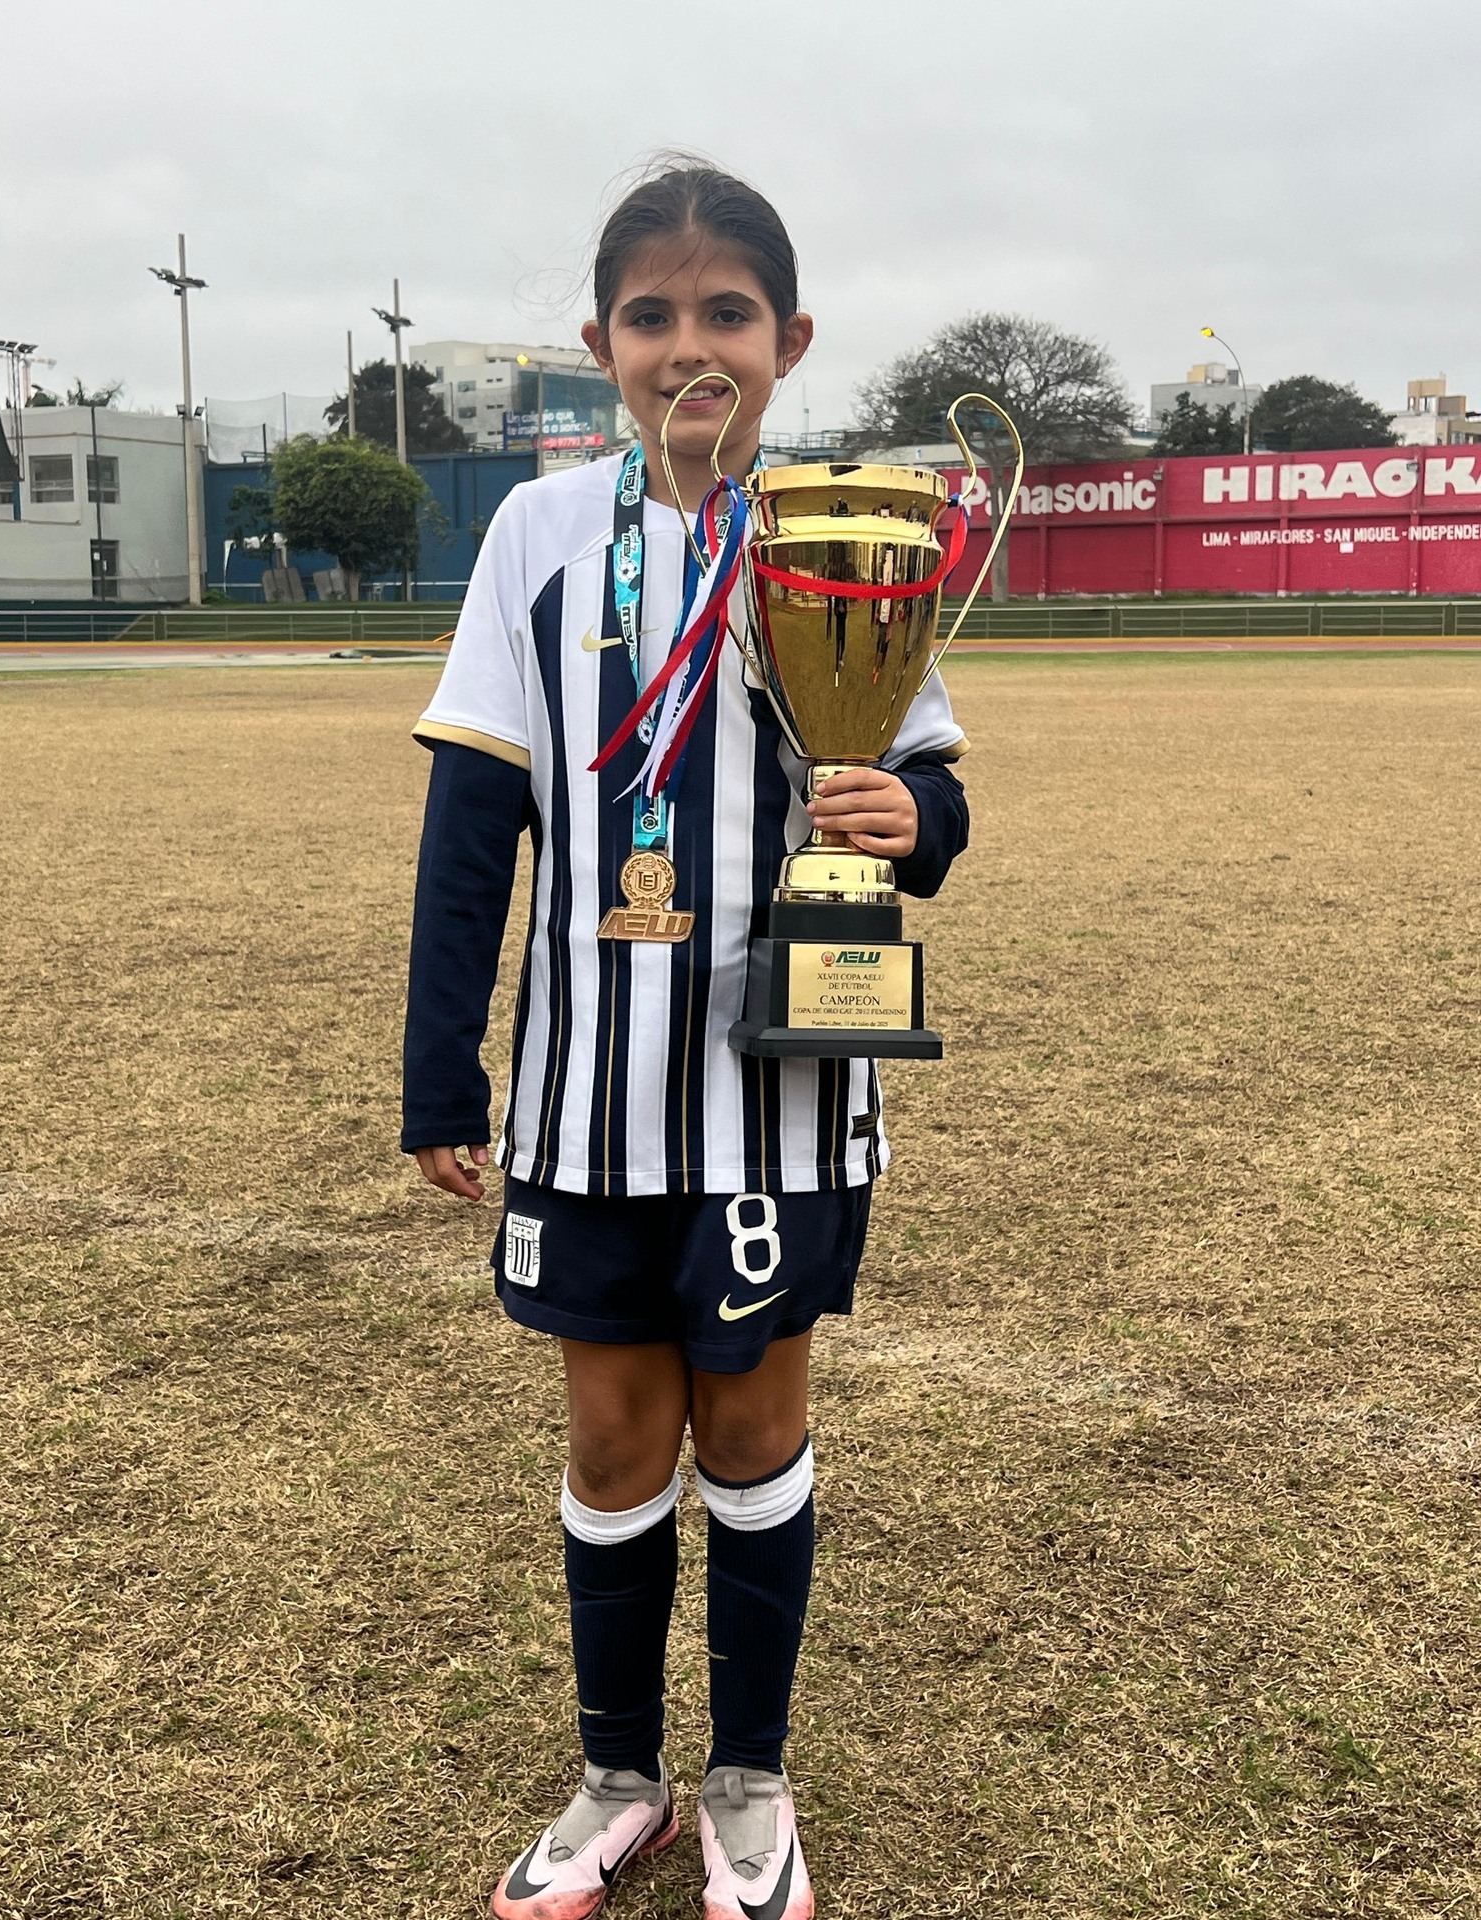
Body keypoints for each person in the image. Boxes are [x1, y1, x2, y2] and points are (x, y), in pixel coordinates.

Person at [402, 162, 970, 1920]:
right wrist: (439, 1067)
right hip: (585, 1100)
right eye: (652, 316)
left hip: (781, 1095)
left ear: (790, 341)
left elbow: (928, 786)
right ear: (602, 347)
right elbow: (473, 822)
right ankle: (618, 1776)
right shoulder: (537, 535)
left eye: (728, 313)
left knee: (753, 1432)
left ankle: (748, 1781)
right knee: (610, 1441)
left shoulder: (846, 530)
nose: (690, 347)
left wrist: (918, 826)